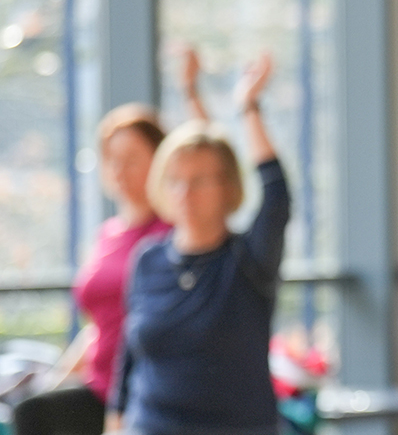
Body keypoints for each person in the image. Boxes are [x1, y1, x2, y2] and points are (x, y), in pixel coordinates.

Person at [13, 49, 210, 435]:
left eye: (132, 159)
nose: (120, 171)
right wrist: (57, 378)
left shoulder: (171, 231)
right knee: (31, 411)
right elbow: (99, 326)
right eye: (112, 159)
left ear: (160, 161)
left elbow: (207, 157)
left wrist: (191, 91)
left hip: (149, 390)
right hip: (100, 387)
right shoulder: (107, 234)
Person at [110, 53, 288, 435]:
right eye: (176, 180)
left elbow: (276, 195)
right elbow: (129, 356)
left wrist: (249, 107)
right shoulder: (148, 260)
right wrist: (115, 422)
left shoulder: (247, 260)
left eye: (202, 181)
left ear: (228, 188)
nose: (187, 193)